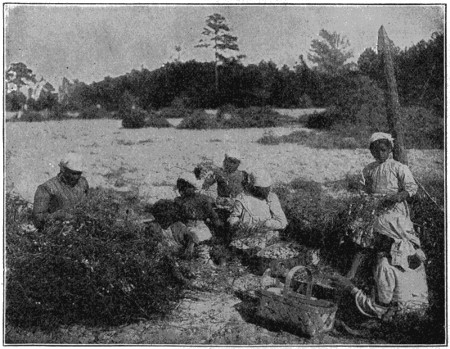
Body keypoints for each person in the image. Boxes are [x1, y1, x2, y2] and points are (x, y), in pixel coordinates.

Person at [346, 132, 419, 279]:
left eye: (383, 150)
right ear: (371, 151)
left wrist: (399, 196)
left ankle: (403, 272)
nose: (379, 154)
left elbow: (411, 187)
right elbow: (363, 188)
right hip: (374, 207)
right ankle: (353, 274)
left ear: (390, 150)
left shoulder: (398, 167)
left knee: (397, 236)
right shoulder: (369, 169)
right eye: (375, 151)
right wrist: (365, 196)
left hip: (393, 206)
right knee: (364, 237)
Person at [332, 215, 428, 322]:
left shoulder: (385, 264)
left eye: (378, 235)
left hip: (398, 319)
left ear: (387, 238)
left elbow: (378, 308)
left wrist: (349, 287)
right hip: (420, 316)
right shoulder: (414, 257)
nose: (375, 238)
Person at [171, 172, 224, 266]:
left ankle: (207, 260)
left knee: (201, 244)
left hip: (198, 227)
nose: (181, 191)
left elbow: (213, 215)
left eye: (184, 188)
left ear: (192, 187)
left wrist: (219, 228)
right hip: (188, 228)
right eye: (180, 188)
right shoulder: (179, 201)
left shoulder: (202, 199)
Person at [228, 168, 288, 250]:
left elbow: (283, 222)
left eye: (268, 188)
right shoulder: (242, 198)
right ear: (255, 188)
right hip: (246, 236)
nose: (267, 191)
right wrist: (236, 223)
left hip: (267, 237)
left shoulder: (271, 198)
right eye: (264, 189)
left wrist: (267, 224)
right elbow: (234, 216)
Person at [32, 153, 89, 230]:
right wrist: (57, 216)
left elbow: (87, 204)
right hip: (57, 231)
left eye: (78, 174)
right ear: (63, 170)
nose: (76, 177)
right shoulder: (47, 188)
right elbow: (38, 219)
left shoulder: (83, 183)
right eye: (72, 173)